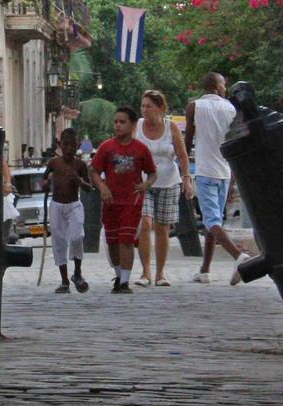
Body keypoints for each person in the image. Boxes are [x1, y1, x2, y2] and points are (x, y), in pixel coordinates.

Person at [186, 72, 251, 284]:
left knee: (211, 221)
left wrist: (184, 167)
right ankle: (204, 270)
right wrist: (234, 175)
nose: (225, 88)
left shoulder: (194, 107)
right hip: (224, 171)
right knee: (214, 222)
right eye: (223, 85)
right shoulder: (231, 109)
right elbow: (235, 141)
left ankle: (238, 256)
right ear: (216, 87)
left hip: (205, 170)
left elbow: (187, 142)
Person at [91, 106, 157, 294]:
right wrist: (102, 186)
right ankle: (118, 274)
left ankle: (125, 282)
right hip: (110, 201)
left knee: (126, 239)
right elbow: (94, 171)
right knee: (112, 241)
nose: (118, 125)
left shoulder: (141, 149)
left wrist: (146, 185)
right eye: (116, 122)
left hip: (132, 201)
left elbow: (152, 173)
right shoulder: (106, 147)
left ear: (133, 124)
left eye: (122, 122)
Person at [132, 90, 193, 286]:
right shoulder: (138, 127)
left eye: (149, 106)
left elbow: (183, 156)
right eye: (142, 106)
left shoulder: (171, 127)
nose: (144, 110)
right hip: (143, 183)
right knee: (145, 224)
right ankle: (145, 272)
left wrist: (187, 179)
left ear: (161, 108)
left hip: (168, 181)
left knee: (162, 228)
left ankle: (160, 273)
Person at [42, 128, 92, 293]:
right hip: (56, 206)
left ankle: (77, 273)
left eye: (72, 145)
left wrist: (79, 181)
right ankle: (64, 281)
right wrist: (45, 184)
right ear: (59, 145)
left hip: (74, 205)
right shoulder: (53, 163)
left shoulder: (80, 164)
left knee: (77, 237)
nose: (69, 148)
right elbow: (44, 181)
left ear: (78, 145)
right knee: (59, 242)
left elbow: (89, 188)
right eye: (66, 144)